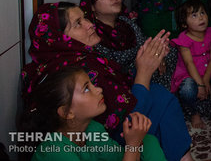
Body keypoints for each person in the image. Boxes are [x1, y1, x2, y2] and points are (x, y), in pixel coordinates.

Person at [22, 2, 194, 161]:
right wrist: (143, 72)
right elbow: (126, 118)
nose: (90, 24)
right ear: (58, 38)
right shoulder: (75, 69)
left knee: (150, 132)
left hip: (101, 134)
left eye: (85, 18)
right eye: (78, 23)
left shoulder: (74, 57)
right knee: (160, 100)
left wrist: (145, 62)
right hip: (116, 131)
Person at [21, 66, 166, 161]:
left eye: (92, 84)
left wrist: (135, 138)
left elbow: (118, 157)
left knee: (148, 142)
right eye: (86, 89)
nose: (99, 89)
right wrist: (132, 145)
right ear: (67, 112)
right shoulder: (55, 152)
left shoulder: (93, 128)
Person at [80, 0, 176, 88]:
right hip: (122, 80)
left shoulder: (125, 22)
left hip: (141, 67)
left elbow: (144, 43)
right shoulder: (92, 33)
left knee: (169, 51)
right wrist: (146, 63)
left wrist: (158, 55)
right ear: (92, 6)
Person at [170, 0, 211, 129]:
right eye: (194, 15)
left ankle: (209, 100)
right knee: (187, 89)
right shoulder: (184, 40)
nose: (201, 18)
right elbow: (189, 63)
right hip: (189, 77)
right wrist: (200, 84)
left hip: (206, 74)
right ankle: (194, 112)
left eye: (203, 13)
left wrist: (206, 80)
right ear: (184, 24)